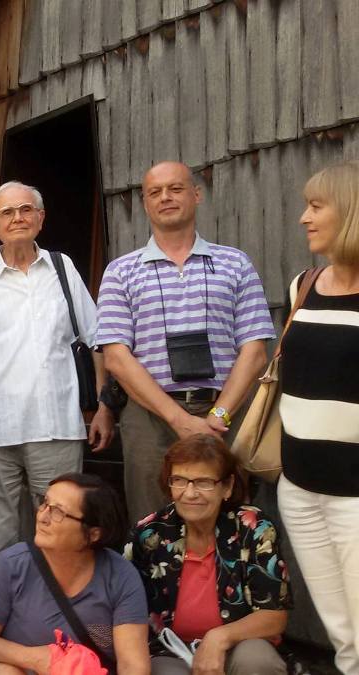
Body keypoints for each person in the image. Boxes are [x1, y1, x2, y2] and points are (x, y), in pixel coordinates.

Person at [95, 161, 276, 522]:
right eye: (155, 192)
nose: (165, 197)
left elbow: (255, 350)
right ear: (145, 203)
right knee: (151, 523)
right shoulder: (121, 271)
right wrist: (179, 419)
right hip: (150, 418)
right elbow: (116, 358)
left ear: (197, 195)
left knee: (229, 518)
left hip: (226, 413)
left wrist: (218, 416)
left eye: (175, 189)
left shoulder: (235, 263)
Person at [0, 182, 114, 575]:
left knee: (62, 528)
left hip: (55, 424)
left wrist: (103, 406)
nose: (18, 218)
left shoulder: (62, 268)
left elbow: (97, 339)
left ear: (41, 219)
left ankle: (59, 605)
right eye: (7, 213)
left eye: (26, 210)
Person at [277, 160, 359, 675]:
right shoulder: (303, 285)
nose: (304, 218)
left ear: (349, 212)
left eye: (316, 206)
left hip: (355, 496)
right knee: (341, 631)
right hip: (300, 488)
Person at [126, 434, 290, 674]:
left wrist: (219, 638)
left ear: (227, 486)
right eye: (179, 480)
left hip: (237, 644)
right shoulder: (149, 533)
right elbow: (125, 608)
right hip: (169, 650)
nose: (189, 493)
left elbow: (274, 616)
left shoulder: (253, 528)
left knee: (257, 661)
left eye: (203, 482)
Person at [0, 473, 150, 674]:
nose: (42, 517)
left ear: (93, 534)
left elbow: (133, 665)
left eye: (58, 512)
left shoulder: (120, 576)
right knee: (1, 672)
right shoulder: (12, 565)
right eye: (44, 503)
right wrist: (36, 659)